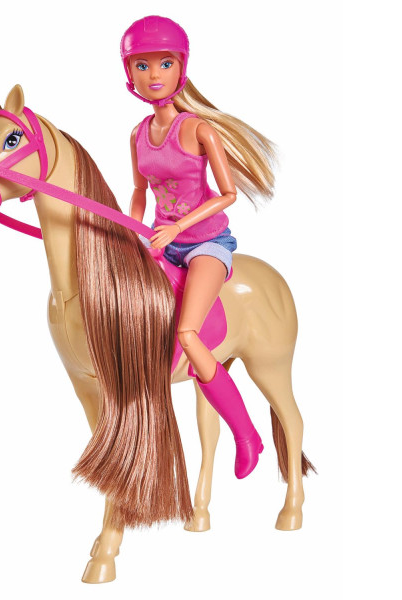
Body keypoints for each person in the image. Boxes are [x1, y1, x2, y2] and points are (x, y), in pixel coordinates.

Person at [122, 15, 277, 478]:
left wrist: (176, 229)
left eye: (164, 63)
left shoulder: (198, 130)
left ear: (181, 68)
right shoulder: (137, 135)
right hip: (161, 243)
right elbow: (138, 193)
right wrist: (134, 230)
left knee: (188, 333)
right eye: (143, 65)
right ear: (129, 72)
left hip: (206, 243)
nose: (154, 75)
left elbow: (227, 195)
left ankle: (247, 435)